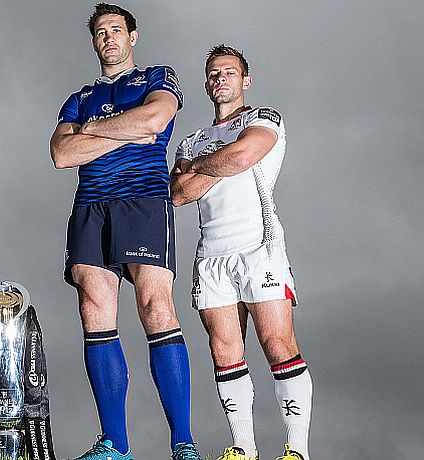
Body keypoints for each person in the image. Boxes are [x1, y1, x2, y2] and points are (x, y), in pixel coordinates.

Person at [50, 4, 202, 460]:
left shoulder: (158, 76)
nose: (109, 38)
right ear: (94, 41)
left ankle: (183, 444)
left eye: (116, 29)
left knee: (156, 306)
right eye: (100, 32)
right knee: (94, 308)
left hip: (142, 200)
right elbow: (61, 154)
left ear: (132, 36)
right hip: (91, 204)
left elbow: (155, 122)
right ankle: (114, 444)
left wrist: (92, 133)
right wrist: (121, 131)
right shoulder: (78, 98)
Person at [170, 44, 313, 460]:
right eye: (214, 73)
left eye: (229, 72)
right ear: (205, 83)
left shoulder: (263, 118)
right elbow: (179, 194)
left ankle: (296, 450)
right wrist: (220, 162)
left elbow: (245, 155)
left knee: (277, 342)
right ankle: (244, 448)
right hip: (211, 255)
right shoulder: (191, 140)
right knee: (224, 350)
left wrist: (204, 167)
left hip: (259, 247)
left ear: (245, 81)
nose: (220, 79)